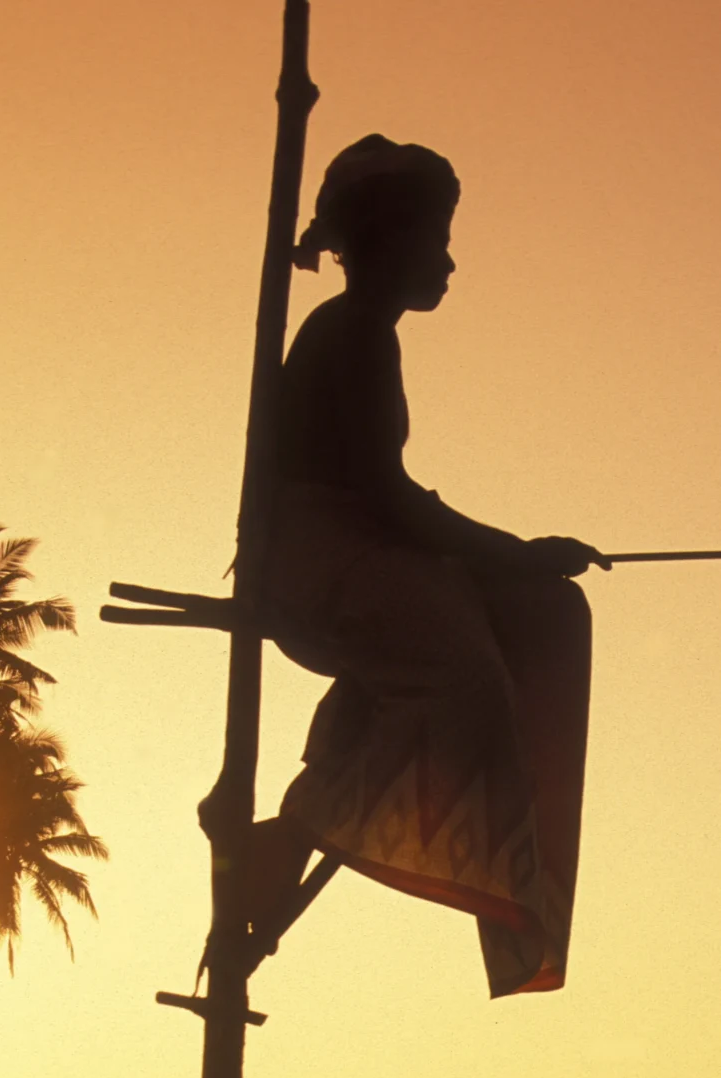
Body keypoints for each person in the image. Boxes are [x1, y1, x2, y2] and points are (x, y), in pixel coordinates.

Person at [240, 134, 599, 997]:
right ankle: (297, 827)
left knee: (474, 641)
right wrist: (516, 553)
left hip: (346, 549)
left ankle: (301, 820)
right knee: (470, 682)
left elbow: (388, 500)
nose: (447, 262)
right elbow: (386, 496)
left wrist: (511, 565)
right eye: (435, 240)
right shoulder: (351, 334)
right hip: (322, 557)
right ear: (391, 240)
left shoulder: (362, 333)